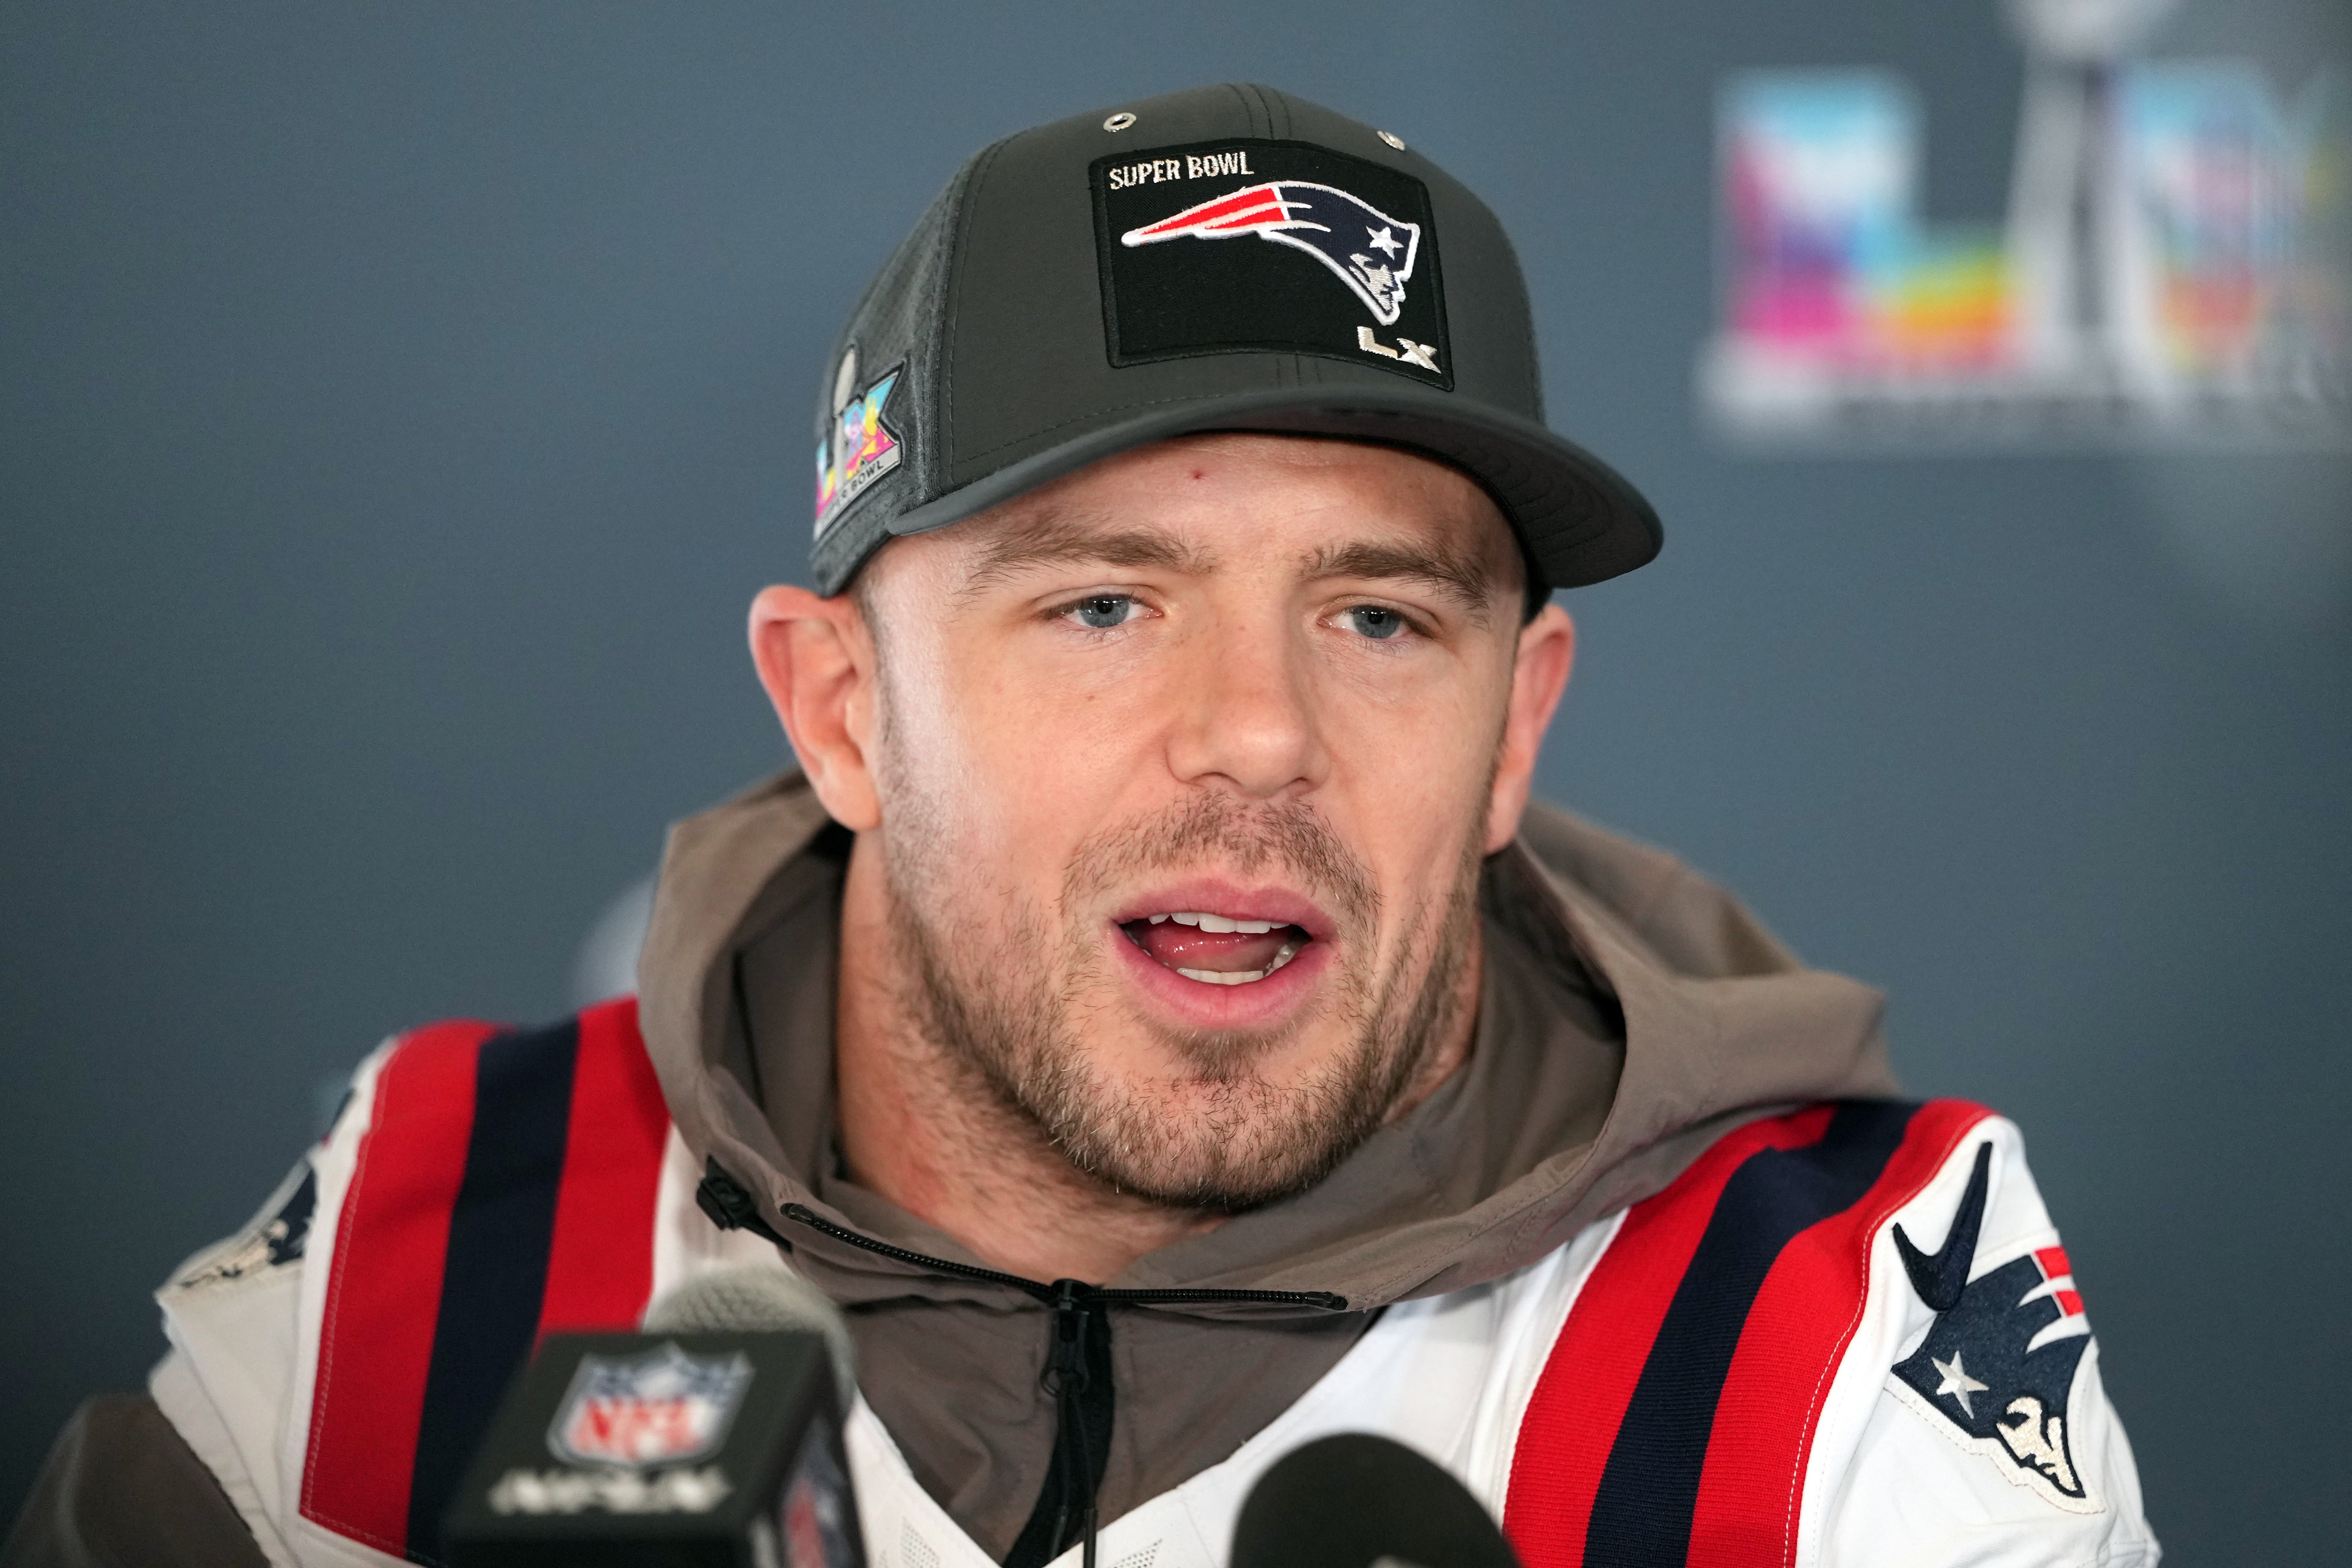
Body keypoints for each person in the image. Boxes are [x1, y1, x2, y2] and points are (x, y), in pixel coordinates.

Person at [5, 83, 2157, 1568]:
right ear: (841, 711)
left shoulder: (1837, 1322)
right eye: (1106, 603)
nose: (1257, 736)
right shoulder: (442, 1246)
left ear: (1515, 732)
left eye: (1382, 614)